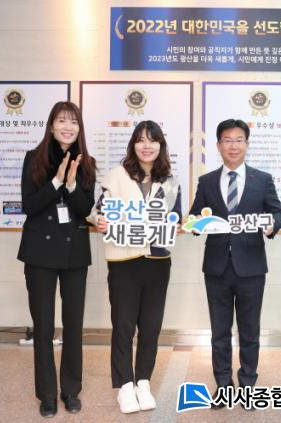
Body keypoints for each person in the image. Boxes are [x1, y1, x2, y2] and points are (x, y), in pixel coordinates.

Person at [189, 119, 281, 408]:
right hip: (216, 267)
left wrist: (272, 225)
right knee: (219, 333)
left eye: (239, 140)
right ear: (218, 145)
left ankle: (248, 386)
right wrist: (196, 223)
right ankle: (223, 385)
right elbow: (194, 218)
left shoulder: (262, 179)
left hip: (251, 268)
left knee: (250, 332)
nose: (233, 145)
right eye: (228, 140)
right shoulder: (207, 181)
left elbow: (278, 214)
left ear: (247, 144)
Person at [91, 120, 181, 414]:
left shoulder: (170, 181)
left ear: (160, 145)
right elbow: (99, 210)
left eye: (152, 140)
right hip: (124, 262)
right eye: (141, 140)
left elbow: (176, 216)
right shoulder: (117, 175)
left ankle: (143, 381)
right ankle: (125, 386)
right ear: (133, 144)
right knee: (123, 325)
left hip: (157, 262)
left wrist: (176, 225)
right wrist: (99, 220)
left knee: (151, 327)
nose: (146, 145)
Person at [17, 101, 96, 418]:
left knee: (74, 325)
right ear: (51, 126)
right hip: (39, 252)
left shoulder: (87, 162)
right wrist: (56, 181)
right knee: (44, 326)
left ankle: (71, 391)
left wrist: (72, 184)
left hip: (75, 252)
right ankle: (47, 395)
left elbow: (85, 209)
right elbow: (29, 206)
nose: (68, 127)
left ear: (79, 128)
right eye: (62, 120)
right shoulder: (33, 159)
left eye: (73, 121)